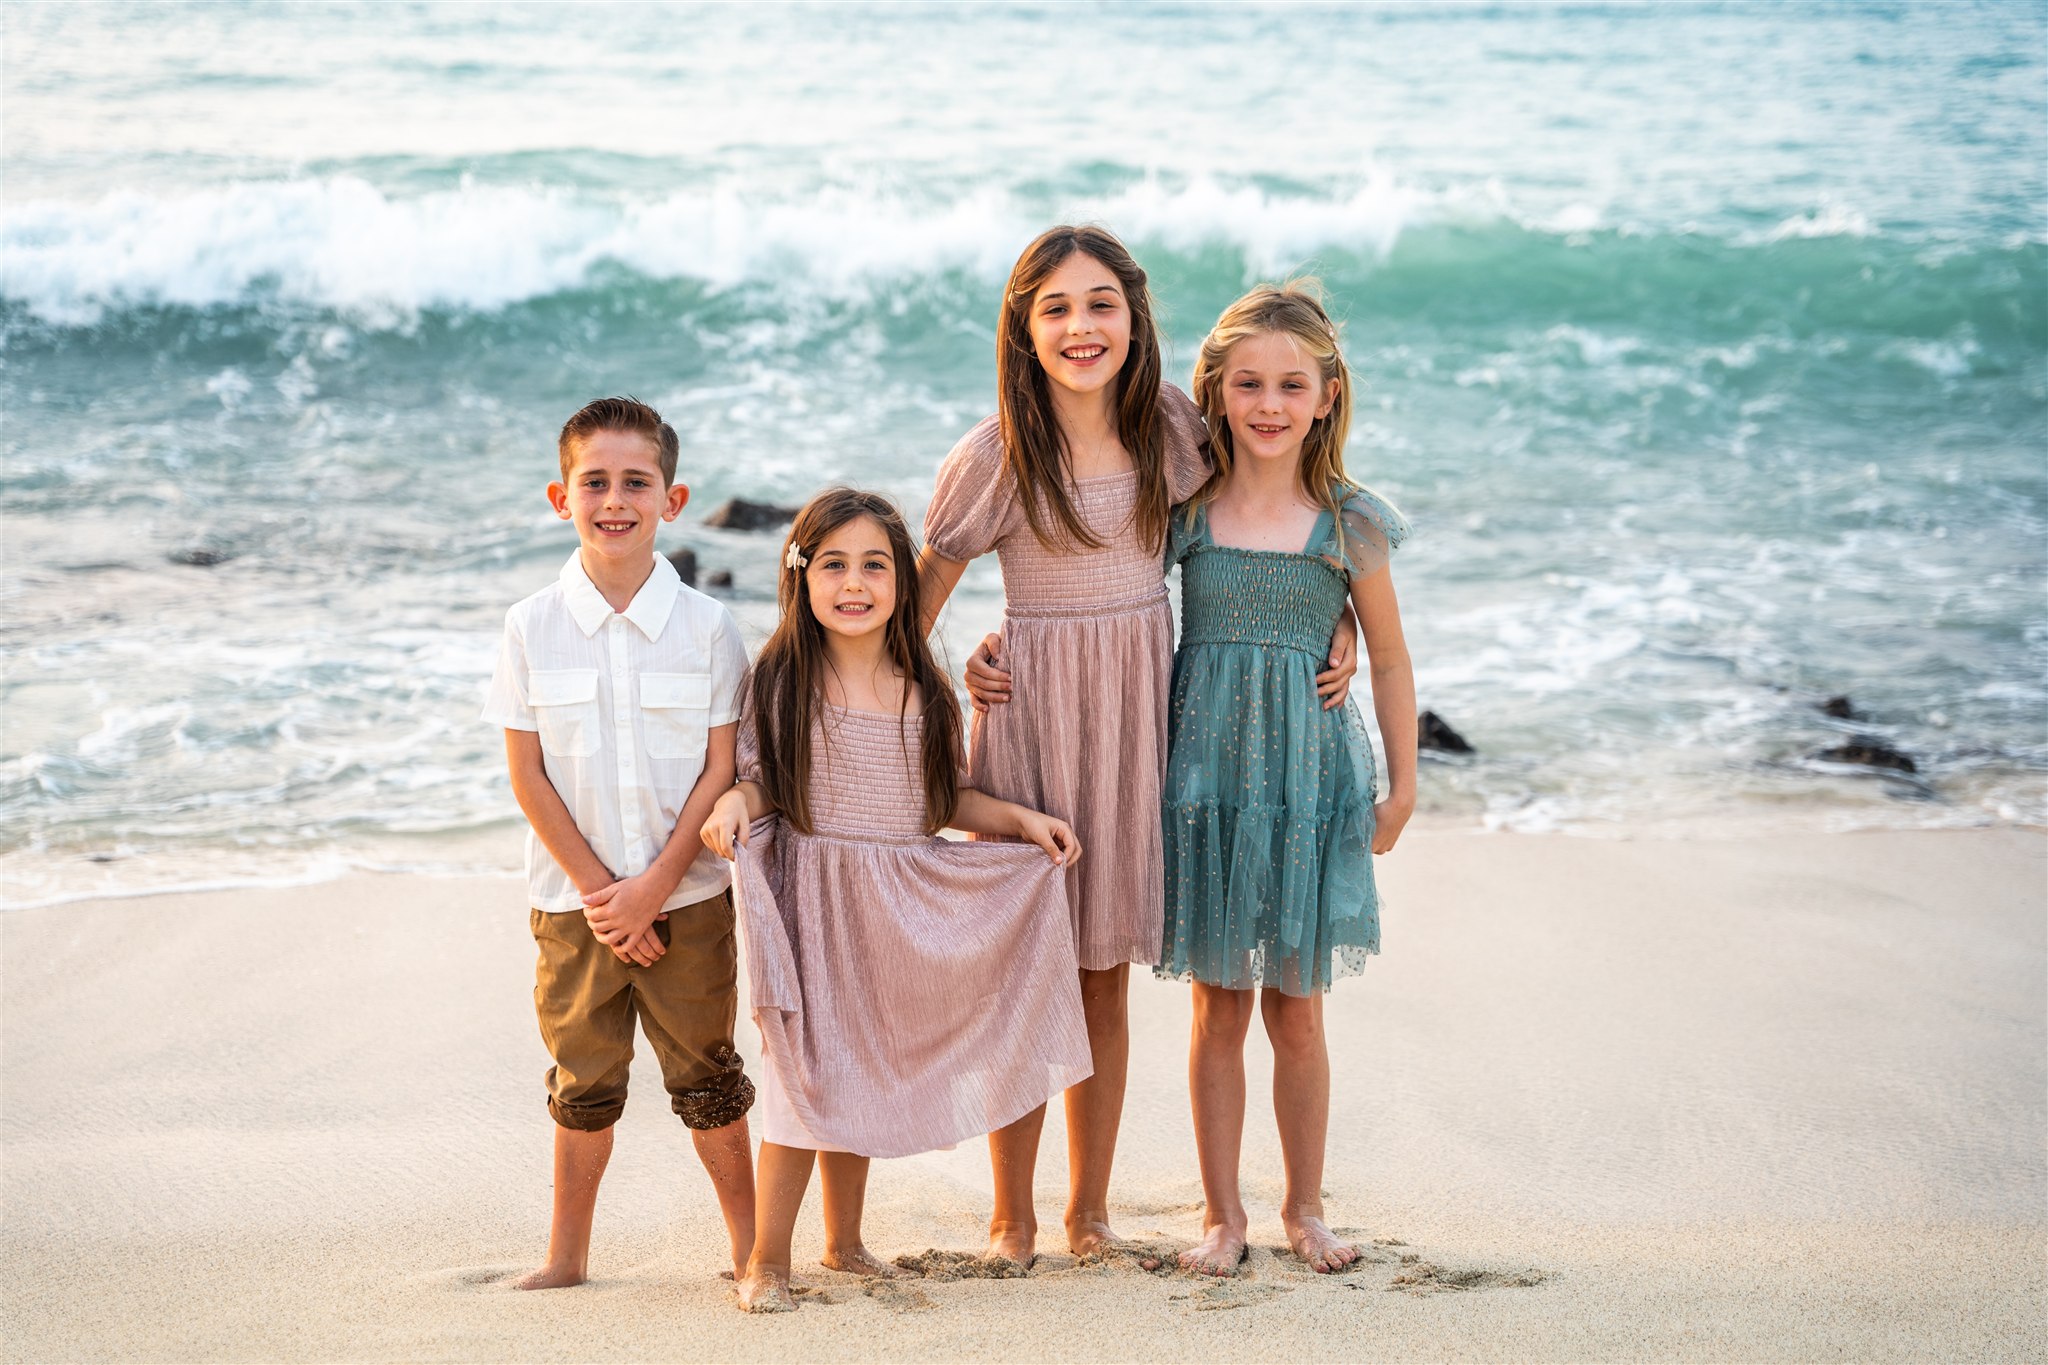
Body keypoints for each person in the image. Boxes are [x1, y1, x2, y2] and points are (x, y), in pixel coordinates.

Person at [917, 225, 1360, 1263]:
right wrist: (955, 674)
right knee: (1026, 972)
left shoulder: (1166, 429)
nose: (1081, 326)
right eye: (1057, 308)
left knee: (1104, 974)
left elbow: (1273, 499)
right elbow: (906, 608)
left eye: (1101, 304)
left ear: (1134, 318)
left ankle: (1086, 1214)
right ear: (1023, 330)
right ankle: (1010, 1216)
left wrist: (1330, 620)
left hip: (1135, 722)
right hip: (1031, 727)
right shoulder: (991, 458)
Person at [702, 488, 1092, 1313]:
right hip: (815, 909)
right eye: (834, 565)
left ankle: (843, 1242)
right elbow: (764, 784)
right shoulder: (781, 681)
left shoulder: (924, 691)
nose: (855, 583)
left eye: (875, 565)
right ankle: (768, 1259)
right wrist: (736, 802)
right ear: (801, 578)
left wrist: (1019, 819)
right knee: (803, 1084)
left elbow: (943, 800)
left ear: (902, 582)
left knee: (860, 1074)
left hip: (896, 904)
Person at [1159, 283, 1416, 1277]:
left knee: (1296, 1006)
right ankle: (1220, 1215)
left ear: (1325, 394)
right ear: (1216, 393)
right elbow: (1112, 608)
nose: (1269, 403)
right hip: (1207, 784)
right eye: (1249, 384)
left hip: (1312, 785)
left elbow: (1389, 660)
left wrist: (1403, 786)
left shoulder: (1347, 523)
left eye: (1289, 385)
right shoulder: (1183, 509)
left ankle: (1303, 1209)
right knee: (1218, 1004)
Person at [481, 396, 757, 1290]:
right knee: (583, 1077)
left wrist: (654, 888)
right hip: (575, 909)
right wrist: (607, 893)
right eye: (593, 481)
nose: (614, 498)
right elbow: (529, 777)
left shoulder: (709, 629)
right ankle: (566, 1256)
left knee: (708, 1077)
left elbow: (721, 769)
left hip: (689, 901)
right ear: (560, 497)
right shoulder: (531, 625)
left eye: (635, 481)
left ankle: (751, 1249)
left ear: (671, 500)